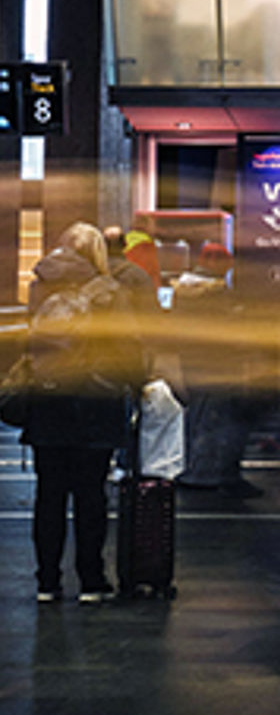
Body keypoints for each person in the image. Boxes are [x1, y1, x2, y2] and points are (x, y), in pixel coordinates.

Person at [23, 222, 146, 604]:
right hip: (96, 400)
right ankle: (91, 580)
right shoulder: (110, 292)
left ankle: (47, 580)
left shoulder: (39, 286)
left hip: (47, 401)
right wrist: (136, 382)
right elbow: (127, 347)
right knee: (90, 495)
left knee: (49, 496)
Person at [172, 242, 259, 499]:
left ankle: (195, 468)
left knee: (198, 417)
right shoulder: (218, 293)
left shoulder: (183, 291)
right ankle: (209, 474)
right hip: (219, 364)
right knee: (220, 420)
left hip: (192, 362)